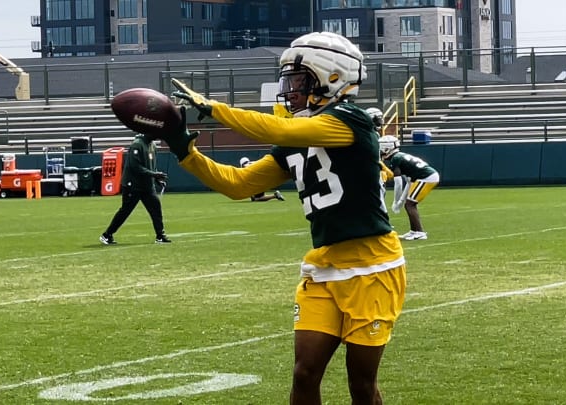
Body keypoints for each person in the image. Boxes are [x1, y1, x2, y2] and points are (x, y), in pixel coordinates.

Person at [158, 32, 406, 405]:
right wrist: (184, 151)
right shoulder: (295, 135)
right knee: (304, 374)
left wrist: (212, 107)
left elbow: (281, 128)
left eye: (299, 79)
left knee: (361, 384)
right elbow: (238, 184)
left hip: (372, 268)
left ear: (330, 77)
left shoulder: (349, 120)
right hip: (324, 267)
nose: (289, 88)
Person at [99, 133, 171, 245]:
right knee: (125, 211)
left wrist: (156, 179)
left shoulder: (152, 145)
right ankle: (107, 234)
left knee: (156, 208)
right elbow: (135, 166)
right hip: (132, 185)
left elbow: (152, 165)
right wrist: (154, 174)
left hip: (147, 185)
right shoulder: (137, 145)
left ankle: (160, 236)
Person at [379, 135, 440, 241]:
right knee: (409, 204)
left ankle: (420, 232)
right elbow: (409, 182)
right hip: (424, 177)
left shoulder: (396, 159)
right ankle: (414, 231)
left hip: (426, 177)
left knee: (410, 204)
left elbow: (398, 183)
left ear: (386, 148)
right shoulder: (399, 156)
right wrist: (401, 201)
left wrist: (396, 201)